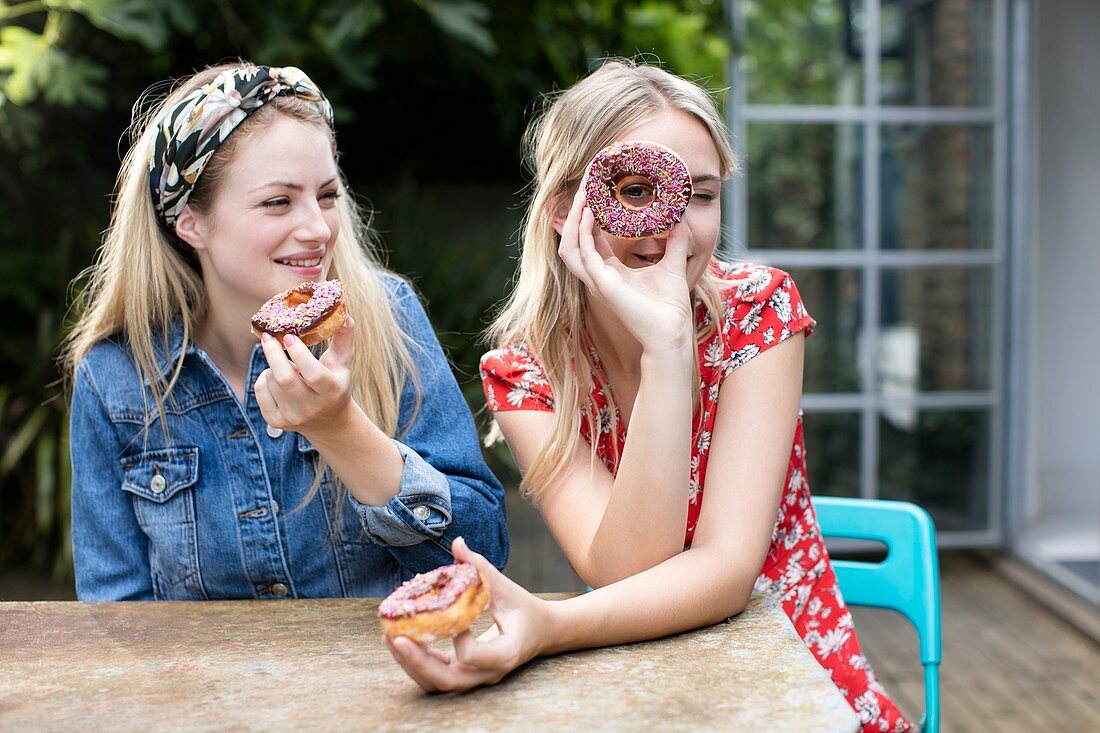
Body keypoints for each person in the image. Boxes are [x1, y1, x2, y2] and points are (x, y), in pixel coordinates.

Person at [385, 60, 912, 733]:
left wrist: (549, 625)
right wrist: (667, 351)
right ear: (561, 211)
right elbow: (630, 567)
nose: (678, 226)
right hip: (640, 682)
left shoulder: (758, 313)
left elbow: (726, 570)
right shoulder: (526, 372)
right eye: (638, 189)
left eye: (702, 194)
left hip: (795, 681)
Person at [62, 62, 508, 601]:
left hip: (383, 678)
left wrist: (341, 430)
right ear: (191, 223)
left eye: (326, 195)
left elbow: (483, 556)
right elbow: (115, 617)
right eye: (278, 201)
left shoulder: (388, 317)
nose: (318, 229)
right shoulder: (114, 379)